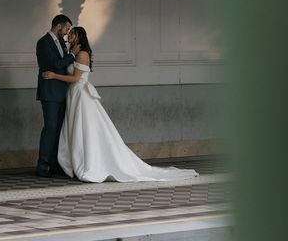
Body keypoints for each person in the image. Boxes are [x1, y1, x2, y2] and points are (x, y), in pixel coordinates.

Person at [43, 26, 198, 183]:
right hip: (73, 95)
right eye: (68, 33)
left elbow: (76, 78)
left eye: (72, 33)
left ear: (78, 36)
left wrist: (54, 75)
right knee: (74, 129)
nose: (68, 35)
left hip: (81, 96)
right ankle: (74, 161)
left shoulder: (82, 54)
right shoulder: (72, 53)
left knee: (84, 129)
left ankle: (89, 162)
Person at [35, 14, 80, 177]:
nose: (67, 32)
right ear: (59, 26)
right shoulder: (43, 42)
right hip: (50, 92)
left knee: (59, 129)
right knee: (50, 127)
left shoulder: (62, 42)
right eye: (67, 28)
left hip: (63, 92)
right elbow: (55, 65)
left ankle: (55, 163)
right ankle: (43, 164)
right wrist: (72, 55)